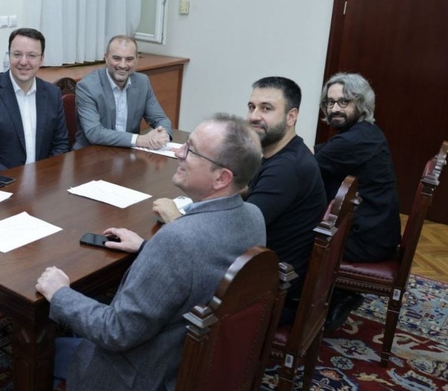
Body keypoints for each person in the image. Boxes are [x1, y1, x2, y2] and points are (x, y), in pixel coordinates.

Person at [36, 113, 266, 390]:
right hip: (200, 364)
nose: (178, 152)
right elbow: (203, 266)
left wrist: (60, 293)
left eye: (190, 150)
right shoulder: (254, 217)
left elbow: (115, 331)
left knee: (47, 350)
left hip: (141, 375)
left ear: (221, 178)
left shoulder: (178, 240)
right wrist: (148, 247)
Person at [153, 77, 327, 325]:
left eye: (266, 108)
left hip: (269, 295)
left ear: (291, 116)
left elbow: (237, 234)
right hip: (265, 274)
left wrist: (175, 219)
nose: (254, 116)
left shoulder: (287, 169)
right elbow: (247, 193)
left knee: (162, 275)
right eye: (251, 107)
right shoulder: (283, 153)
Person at [315, 72, 401, 331]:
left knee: (293, 235)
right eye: (330, 102)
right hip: (377, 232)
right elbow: (319, 153)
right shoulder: (363, 133)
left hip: (366, 242)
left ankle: (312, 303)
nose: (334, 109)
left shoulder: (356, 139)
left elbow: (306, 164)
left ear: (361, 104)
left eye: (344, 102)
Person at [0, 28, 69, 178]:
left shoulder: (52, 93)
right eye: (17, 54)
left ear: (41, 59)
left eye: (32, 55)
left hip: (41, 181)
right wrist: (12, 179)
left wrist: (45, 175)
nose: (23, 62)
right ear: (9, 56)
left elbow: (60, 144)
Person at [73, 35, 172, 150]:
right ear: (106, 58)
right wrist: (140, 140)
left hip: (127, 153)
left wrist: (162, 134)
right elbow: (94, 133)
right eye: (117, 58)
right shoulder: (87, 87)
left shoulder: (142, 82)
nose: (123, 65)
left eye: (129, 59)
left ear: (137, 60)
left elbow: (161, 119)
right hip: (91, 153)